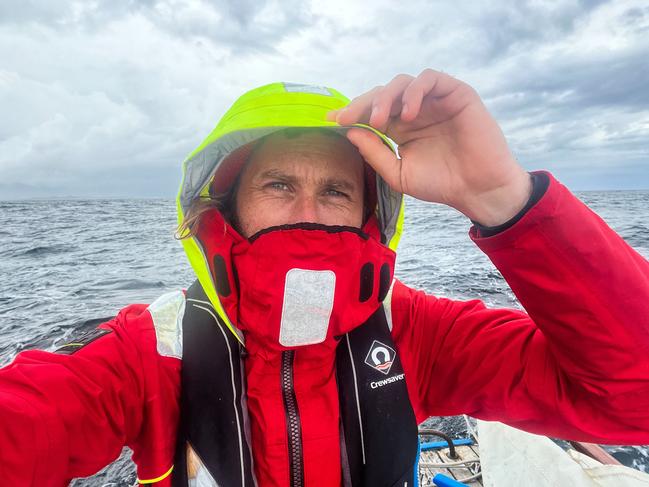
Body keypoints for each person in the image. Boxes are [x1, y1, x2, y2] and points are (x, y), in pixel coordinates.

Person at [1, 69, 648, 487]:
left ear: (372, 216)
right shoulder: (146, 353)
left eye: (336, 190)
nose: (308, 214)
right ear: (223, 210)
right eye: (279, 184)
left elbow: (632, 397)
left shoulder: (419, 333)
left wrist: (503, 198)